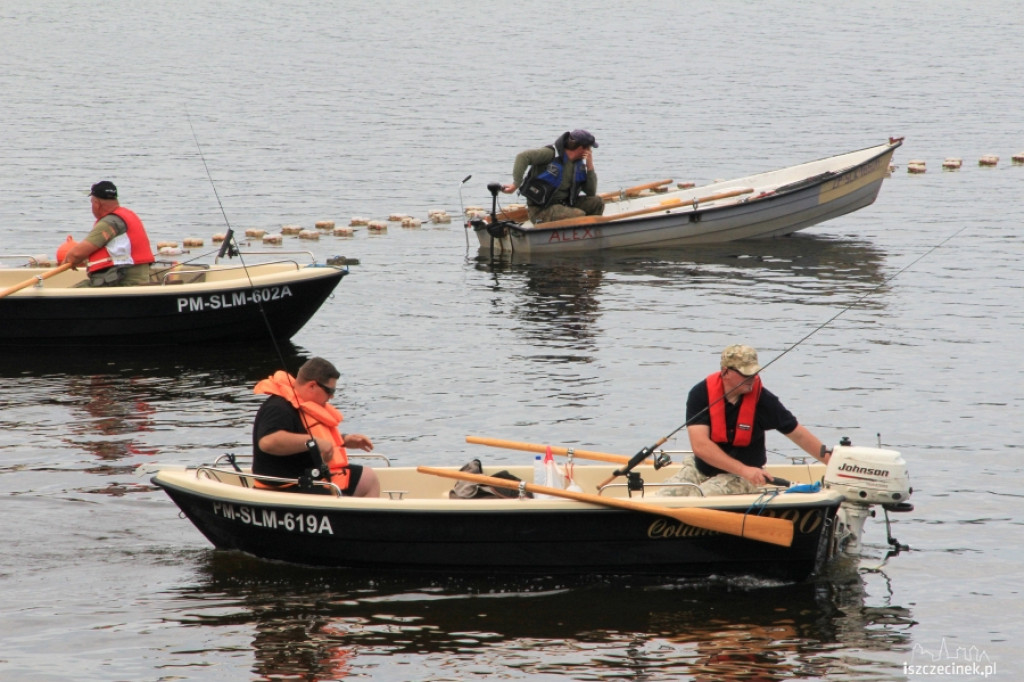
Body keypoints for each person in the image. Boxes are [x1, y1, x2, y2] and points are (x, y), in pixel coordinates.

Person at [659, 344, 831, 497]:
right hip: (702, 469)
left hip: (744, 476)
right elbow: (700, 446)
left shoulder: (764, 400)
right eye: (746, 373)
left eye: (755, 373)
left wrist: (833, 463)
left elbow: (799, 435)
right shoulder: (700, 394)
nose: (752, 378)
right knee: (666, 494)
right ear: (725, 371)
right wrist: (742, 469)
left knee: (702, 495)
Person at [252, 357, 380, 497]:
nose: (332, 397)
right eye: (330, 391)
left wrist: (343, 440)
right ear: (312, 385)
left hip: (308, 478)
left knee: (369, 478)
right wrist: (315, 442)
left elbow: (310, 434)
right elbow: (267, 442)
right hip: (285, 488)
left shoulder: (303, 405)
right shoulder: (278, 407)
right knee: (362, 483)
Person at [501, 129, 605, 225]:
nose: (590, 151)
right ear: (582, 148)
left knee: (598, 202)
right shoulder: (550, 154)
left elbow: (591, 192)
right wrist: (516, 184)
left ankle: (591, 234)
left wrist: (590, 166)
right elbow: (523, 156)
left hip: (566, 204)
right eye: (590, 148)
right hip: (541, 210)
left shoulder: (578, 164)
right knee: (578, 214)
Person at [62, 180, 155, 286]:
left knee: (74, 292)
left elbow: (76, 254)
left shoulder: (110, 222)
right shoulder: (126, 215)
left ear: (96, 204)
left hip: (124, 281)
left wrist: (69, 260)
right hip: (131, 278)